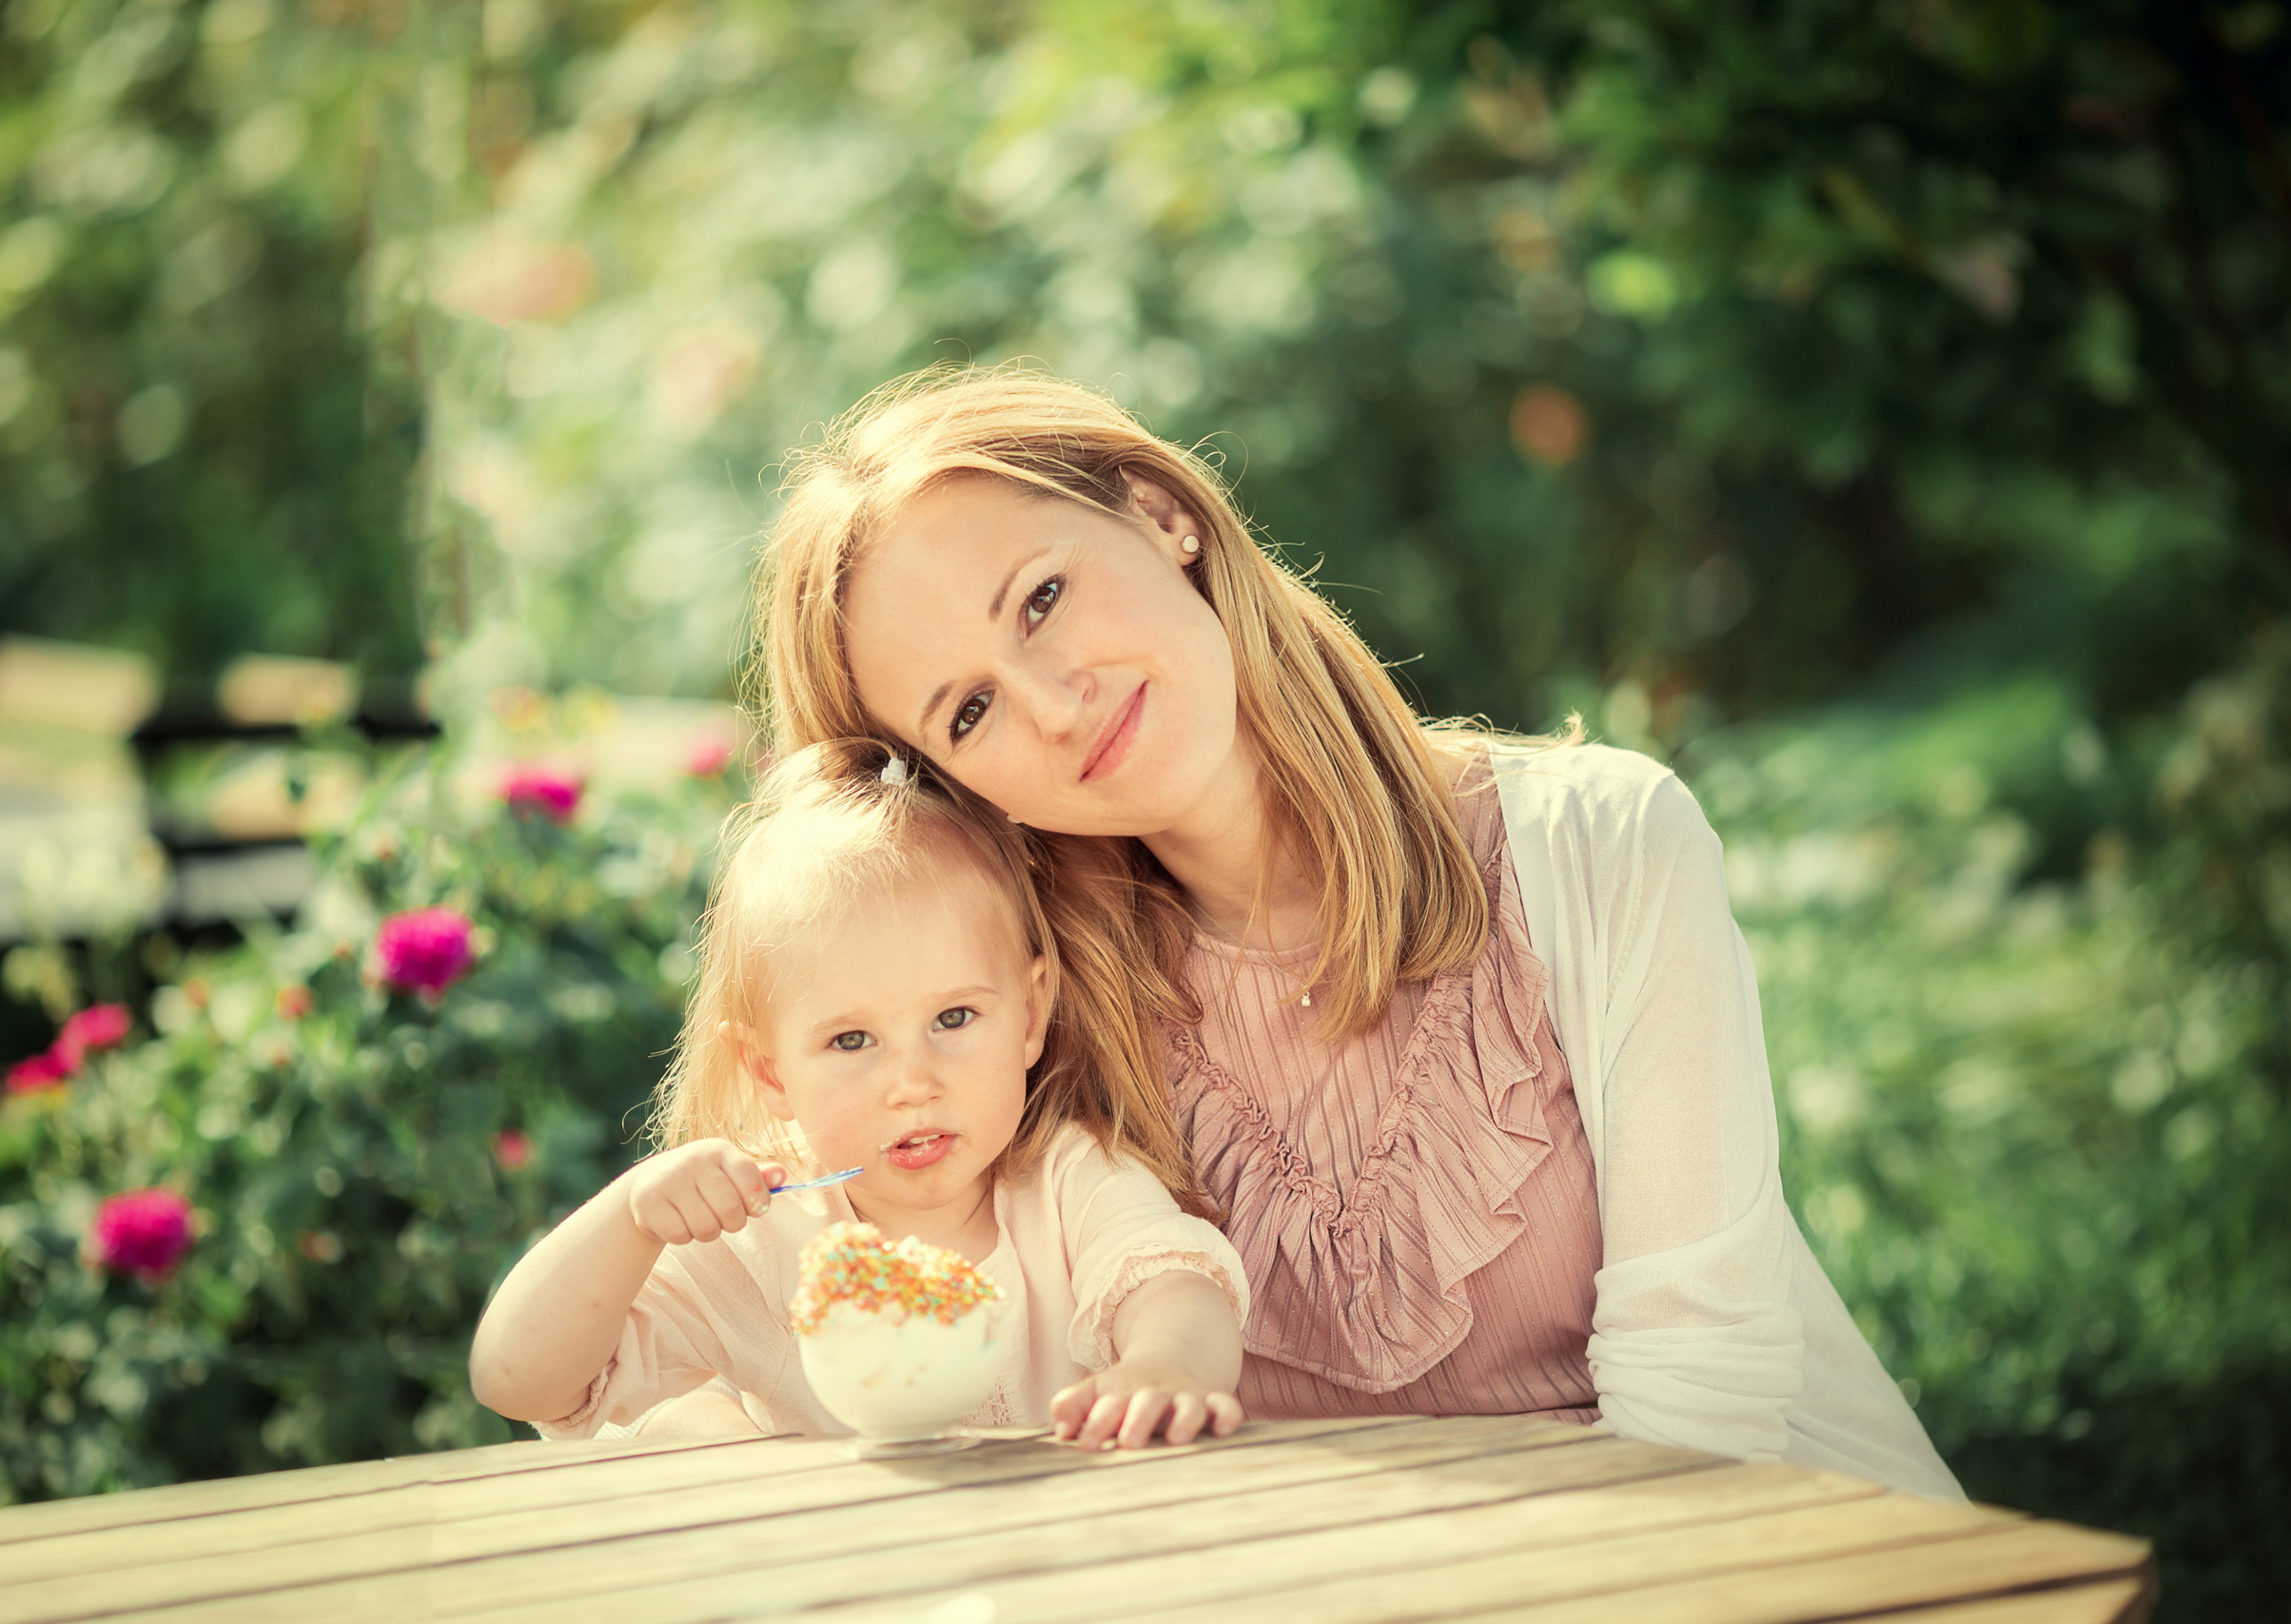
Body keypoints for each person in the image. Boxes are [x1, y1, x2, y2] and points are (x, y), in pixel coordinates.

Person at [754, 365, 1965, 1498]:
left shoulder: (1600, 845)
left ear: (1161, 513)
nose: (1053, 702)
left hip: (1743, 1559)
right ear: (958, 788)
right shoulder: (1013, 1018)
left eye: (1045, 598)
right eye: (968, 711)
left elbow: (1703, 1404)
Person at [469, 738, 1250, 1451]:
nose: (912, 1084)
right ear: (771, 1072)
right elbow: (520, 1380)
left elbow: (1178, 1286)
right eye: (851, 1041)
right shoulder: (764, 1244)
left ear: (1029, 1015)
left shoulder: (1068, 1183)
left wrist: (1166, 1363)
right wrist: (632, 1212)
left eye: (954, 1017)